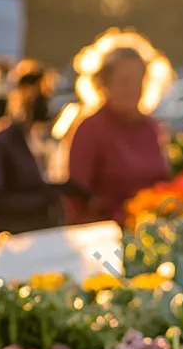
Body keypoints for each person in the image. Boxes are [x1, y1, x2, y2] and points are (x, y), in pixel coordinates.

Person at [0, 60, 86, 235]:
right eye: (43, 94)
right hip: (9, 242)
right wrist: (43, 199)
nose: (47, 102)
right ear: (25, 94)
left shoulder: (36, 140)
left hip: (36, 239)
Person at [61, 45, 171, 225]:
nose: (132, 89)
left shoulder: (152, 128)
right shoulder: (90, 129)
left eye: (138, 81)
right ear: (104, 84)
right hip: (106, 240)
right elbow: (76, 200)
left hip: (153, 233)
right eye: (124, 81)